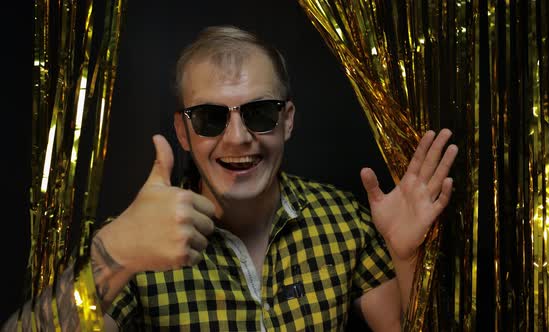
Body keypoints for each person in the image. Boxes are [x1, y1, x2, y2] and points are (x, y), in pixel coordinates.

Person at [2, 25, 458, 331]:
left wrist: (405, 257)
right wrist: (115, 255)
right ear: (182, 131)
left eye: (260, 112)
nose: (238, 138)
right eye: (209, 118)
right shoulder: (136, 246)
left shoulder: (343, 219)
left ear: (288, 120)